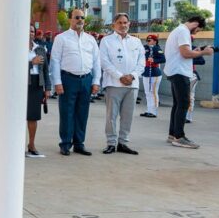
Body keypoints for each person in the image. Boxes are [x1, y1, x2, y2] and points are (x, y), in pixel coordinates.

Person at [49, 8, 100, 156]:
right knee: (67, 112)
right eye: (77, 17)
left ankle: (79, 143)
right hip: (68, 79)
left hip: (86, 79)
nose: (80, 20)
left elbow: (96, 61)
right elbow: (55, 61)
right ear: (70, 19)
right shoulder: (61, 38)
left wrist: (96, 81)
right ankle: (65, 144)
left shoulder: (90, 39)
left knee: (82, 113)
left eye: (82, 18)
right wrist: (57, 82)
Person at [163, 16, 214, 148]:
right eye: (197, 30)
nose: (196, 33)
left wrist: (195, 51)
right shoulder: (184, 31)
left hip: (174, 70)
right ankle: (179, 137)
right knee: (184, 103)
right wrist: (204, 52)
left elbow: (183, 52)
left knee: (178, 104)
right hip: (180, 72)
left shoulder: (178, 30)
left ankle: (172, 134)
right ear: (195, 25)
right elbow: (185, 53)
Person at [98, 13, 142, 155]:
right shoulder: (106, 40)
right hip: (114, 84)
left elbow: (142, 62)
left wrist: (132, 76)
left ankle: (123, 143)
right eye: (120, 23)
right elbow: (104, 62)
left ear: (129, 24)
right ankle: (111, 143)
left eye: (125, 22)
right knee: (112, 116)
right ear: (114, 25)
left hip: (132, 85)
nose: (123, 25)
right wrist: (120, 76)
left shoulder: (136, 41)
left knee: (127, 115)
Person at [26, 27, 48, 157]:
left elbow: (45, 69)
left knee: (33, 117)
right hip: (21, 84)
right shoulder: (16, 47)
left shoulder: (40, 49)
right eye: (28, 31)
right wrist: (31, 62)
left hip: (36, 84)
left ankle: (31, 144)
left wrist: (47, 89)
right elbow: (12, 66)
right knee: (17, 117)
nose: (31, 33)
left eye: (33, 31)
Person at [140, 34, 165, 117]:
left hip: (154, 73)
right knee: (147, 92)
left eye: (150, 40)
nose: (148, 42)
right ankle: (148, 110)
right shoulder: (145, 48)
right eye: (147, 40)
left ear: (155, 41)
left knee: (153, 92)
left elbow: (163, 59)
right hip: (146, 72)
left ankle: (153, 112)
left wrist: (154, 60)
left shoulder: (157, 49)